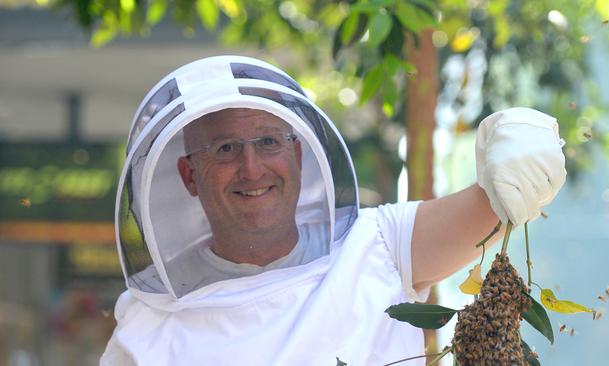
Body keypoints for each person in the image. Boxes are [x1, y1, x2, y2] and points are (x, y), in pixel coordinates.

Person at [101, 56, 566, 365]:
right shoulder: (146, 331)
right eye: (225, 148)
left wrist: (521, 140)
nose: (251, 167)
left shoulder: (378, 242)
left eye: (268, 141)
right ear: (189, 176)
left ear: (298, 155)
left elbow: (496, 204)